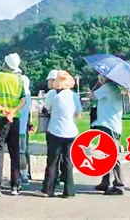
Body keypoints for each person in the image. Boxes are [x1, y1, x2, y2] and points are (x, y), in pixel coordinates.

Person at [0, 53, 27, 197]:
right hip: (14, 119)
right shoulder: (19, 80)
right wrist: (13, 111)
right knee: (15, 152)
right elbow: (23, 100)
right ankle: (15, 186)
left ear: (5, 63)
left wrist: (3, 110)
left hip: (0, 118)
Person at [40, 70, 82, 198]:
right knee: (68, 161)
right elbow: (78, 114)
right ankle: (69, 191)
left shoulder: (54, 95)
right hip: (71, 131)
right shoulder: (74, 96)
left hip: (55, 130)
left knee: (53, 161)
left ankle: (48, 189)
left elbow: (45, 109)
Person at [89, 75, 126, 195]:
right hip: (112, 125)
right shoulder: (115, 88)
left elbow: (91, 96)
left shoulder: (107, 88)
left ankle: (119, 185)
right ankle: (105, 182)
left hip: (108, 125)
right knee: (106, 154)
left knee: (112, 155)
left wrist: (97, 84)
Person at [14, 66, 33, 184]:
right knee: (25, 150)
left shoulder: (19, 90)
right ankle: (26, 173)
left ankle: (22, 175)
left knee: (19, 152)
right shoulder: (28, 92)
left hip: (17, 125)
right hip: (24, 125)